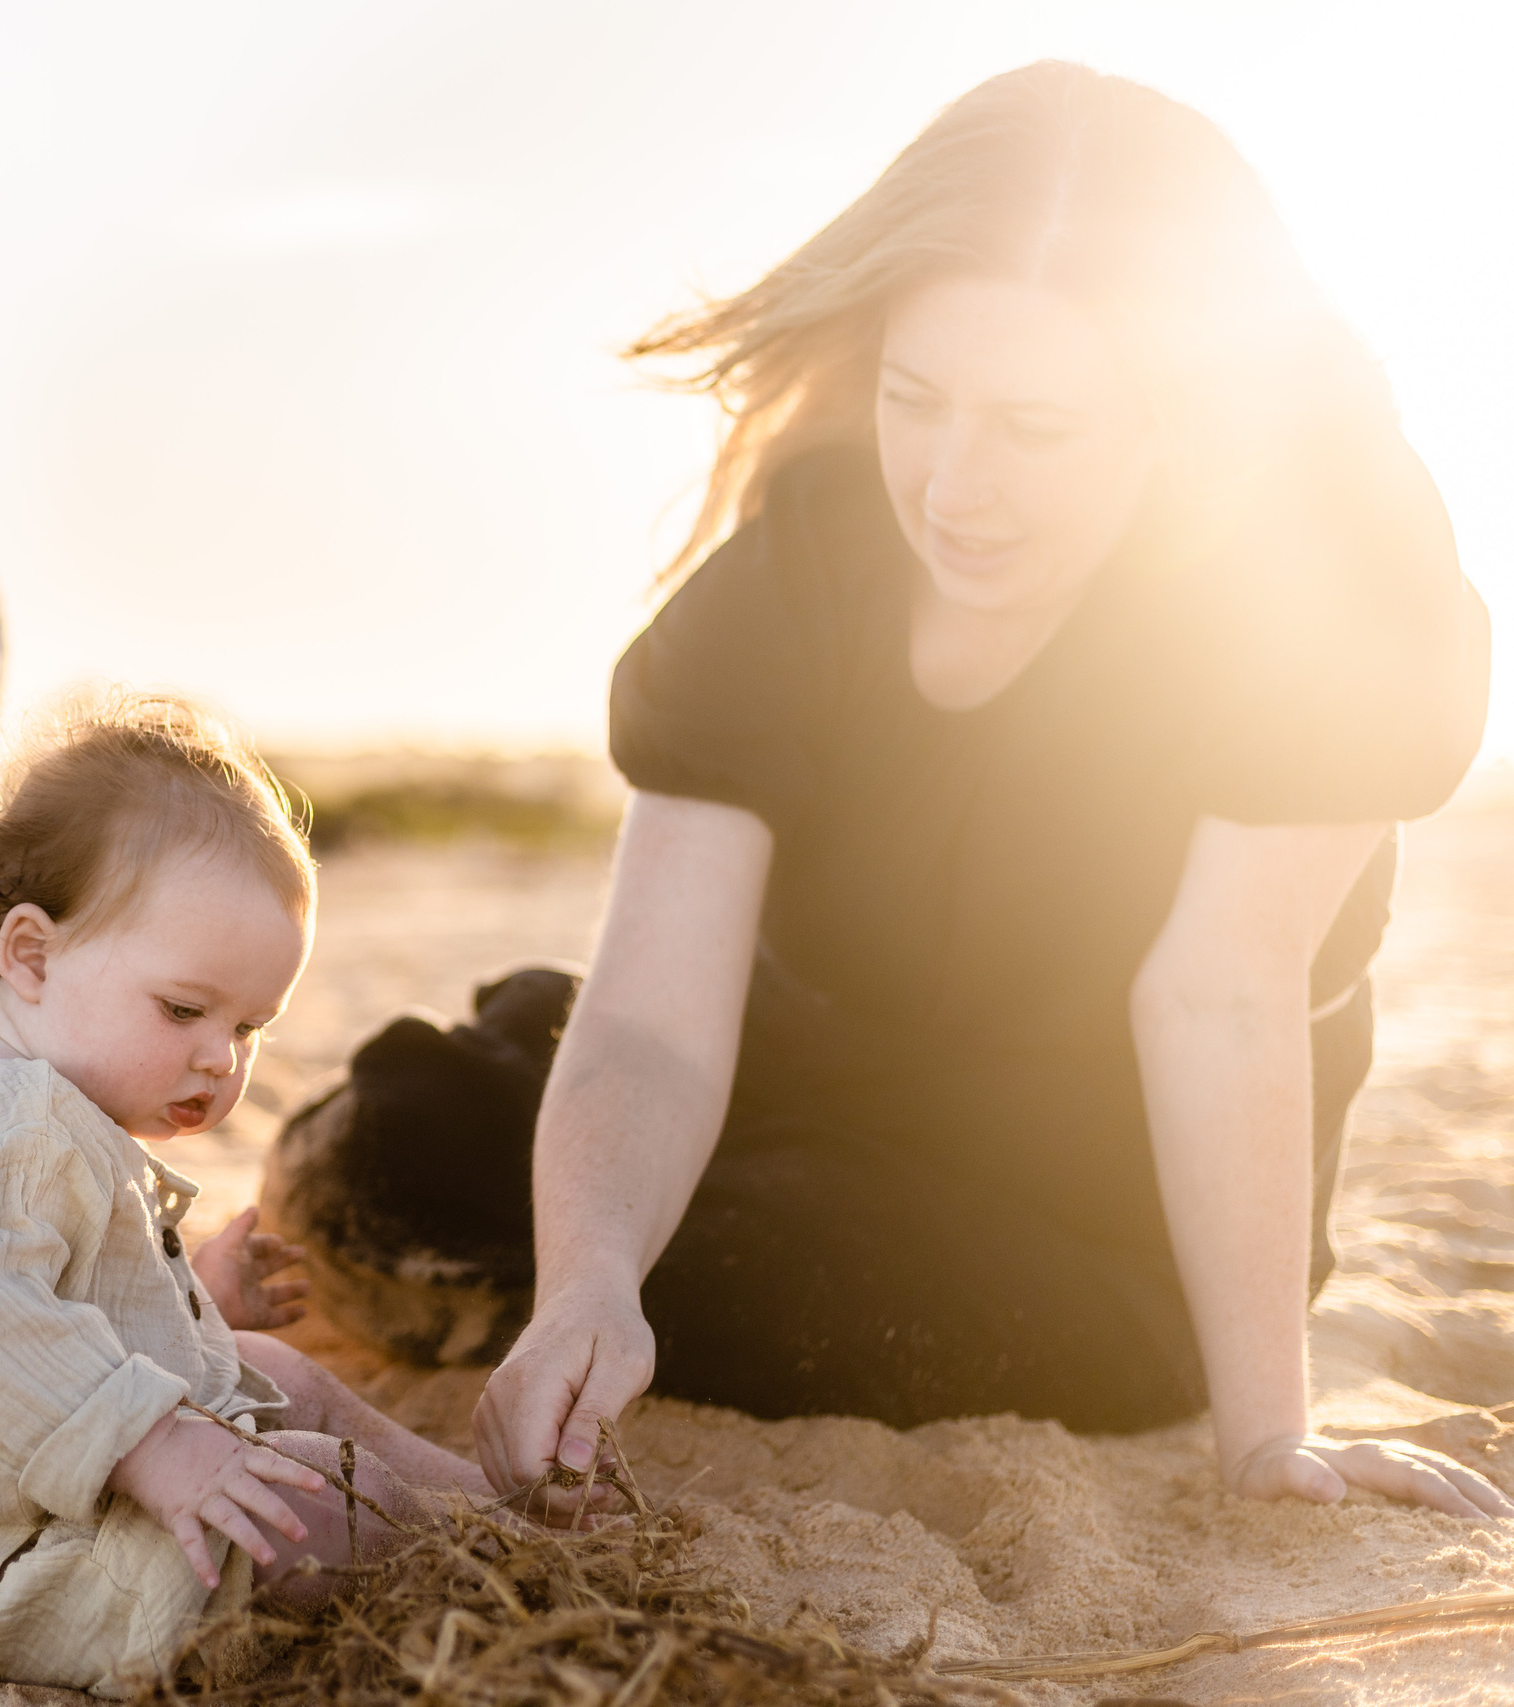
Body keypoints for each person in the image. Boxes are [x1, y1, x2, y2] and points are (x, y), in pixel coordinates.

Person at [434, 64, 1502, 1517]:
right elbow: (646, 1017)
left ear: (1180, 418)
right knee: (443, 1127)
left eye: (1034, 427)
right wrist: (588, 1283)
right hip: (813, 1094)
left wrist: (1267, 1440)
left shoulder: (1323, 576)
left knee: (751, 1273)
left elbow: (1220, 991)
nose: (951, 483)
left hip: (1093, 1212)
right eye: (915, 398)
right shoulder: (807, 559)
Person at [0, 697, 492, 1695]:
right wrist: (154, 1442)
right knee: (330, 1498)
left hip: (57, 1512)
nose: (219, 1058)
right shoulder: (1, 1129)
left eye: (251, 1027)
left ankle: (490, 1512)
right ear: (31, 956)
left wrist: (196, 1301)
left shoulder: (51, 1117)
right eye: (185, 1009)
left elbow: (63, 1301)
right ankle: (489, 1565)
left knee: (284, 1369)